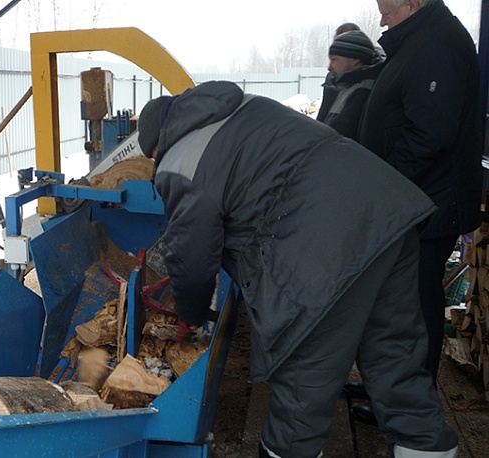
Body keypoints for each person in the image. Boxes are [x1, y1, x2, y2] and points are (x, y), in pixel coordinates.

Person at [138, 81, 458, 458]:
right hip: (387, 214)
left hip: (324, 250)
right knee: (394, 353)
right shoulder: (243, 107)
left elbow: (192, 259)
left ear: (158, 146)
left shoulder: (178, 161)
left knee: (303, 376)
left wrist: (189, 317)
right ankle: (424, 443)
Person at [359, 0, 483, 383]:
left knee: (414, 304)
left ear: (412, 4)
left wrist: (387, 186)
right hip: (419, 199)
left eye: (386, 11)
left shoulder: (436, 45)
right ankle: (394, 391)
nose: (381, 20)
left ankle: (413, 398)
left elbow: (429, 134)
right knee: (402, 301)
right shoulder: (421, 39)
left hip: (427, 204)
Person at [316, 31, 382, 140]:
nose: (329, 67)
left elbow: (339, 134)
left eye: (334, 59)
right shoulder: (345, 88)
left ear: (355, 60)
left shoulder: (363, 90)